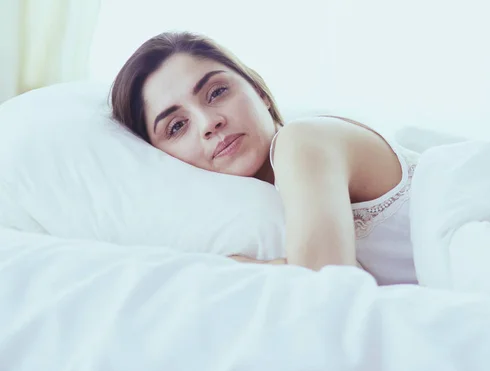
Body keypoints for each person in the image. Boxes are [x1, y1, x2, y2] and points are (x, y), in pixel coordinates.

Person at [110, 31, 420, 285]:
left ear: (260, 92)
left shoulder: (302, 140)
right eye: (177, 126)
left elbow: (325, 290)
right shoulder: (244, 213)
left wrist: (242, 268)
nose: (208, 123)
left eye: (216, 92)